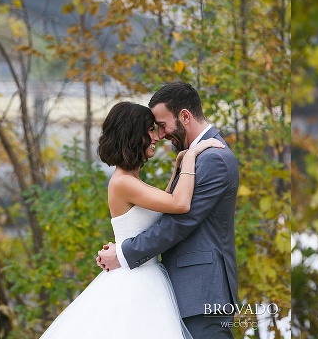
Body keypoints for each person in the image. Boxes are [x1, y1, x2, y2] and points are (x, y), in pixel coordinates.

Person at [40, 101, 224, 339]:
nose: (157, 136)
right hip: (136, 280)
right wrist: (192, 156)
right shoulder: (123, 183)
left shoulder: (131, 181)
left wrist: (179, 165)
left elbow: (164, 205)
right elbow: (180, 204)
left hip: (145, 273)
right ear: (133, 135)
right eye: (150, 130)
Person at [97, 81, 240, 339]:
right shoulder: (194, 157)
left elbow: (180, 220)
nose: (159, 135)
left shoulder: (213, 159)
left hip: (201, 290)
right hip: (175, 289)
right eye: (153, 130)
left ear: (184, 116)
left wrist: (124, 252)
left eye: (161, 126)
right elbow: (172, 208)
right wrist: (186, 159)